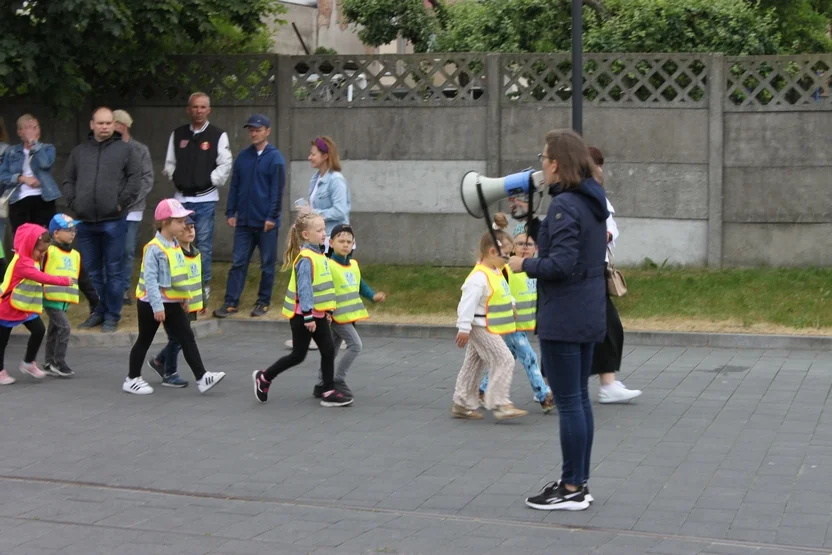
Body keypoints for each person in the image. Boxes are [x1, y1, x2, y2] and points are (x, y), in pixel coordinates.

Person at [514, 129, 608, 512]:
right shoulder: (590, 199)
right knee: (578, 401)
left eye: (543, 158)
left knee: (569, 402)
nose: (541, 164)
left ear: (555, 164)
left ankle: (571, 487)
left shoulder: (565, 204)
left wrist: (525, 264)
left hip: (564, 315)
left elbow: (562, 264)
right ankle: (578, 482)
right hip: (586, 311)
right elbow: (573, 246)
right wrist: (536, 226)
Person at [252, 212, 353, 408]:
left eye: (324, 229)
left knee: (328, 350)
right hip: (304, 317)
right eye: (319, 230)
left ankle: (328, 390)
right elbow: (304, 289)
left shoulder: (319, 254)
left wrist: (327, 311)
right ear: (306, 235)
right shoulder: (306, 258)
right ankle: (264, 377)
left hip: (318, 315)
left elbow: (323, 286)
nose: (324, 233)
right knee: (298, 355)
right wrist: (308, 316)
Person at [125, 199, 225, 395]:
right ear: (165, 223)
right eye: (179, 221)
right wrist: (157, 307)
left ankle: (202, 377)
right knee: (144, 339)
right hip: (151, 303)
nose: (183, 224)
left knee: (187, 337)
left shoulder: (174, 245)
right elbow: (151, 281)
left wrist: (184, 298)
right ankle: (132, 378)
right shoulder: (155, 247)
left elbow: (178, 275)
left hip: (171, 301)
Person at [64, 106, 142, 333]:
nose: (105, 127)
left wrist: (120, 203)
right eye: (100, 123)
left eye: (109, 123)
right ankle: (97, 311)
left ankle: (112, 315)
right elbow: (68, 180)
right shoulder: (79, 152)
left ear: (115, 125)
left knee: (114, 270)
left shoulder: (125, 150)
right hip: (85, 221)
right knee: (91, 272)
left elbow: (135, 179)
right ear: (92, 124)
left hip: (114, 220)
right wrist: (74, 203)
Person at [477, 214, 554, 414]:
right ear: (512, 247)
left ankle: (483, 389)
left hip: (524, 323)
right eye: (520, 243)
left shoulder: (538, 268)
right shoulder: (506, 268)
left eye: (529, 244)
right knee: (528, 356)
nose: (524, 248)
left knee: (508, 357)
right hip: (509, 322)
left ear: (536, 247)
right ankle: (543, 394)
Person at [213, 114, 286, 319]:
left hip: (266, 223)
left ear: (267, 131)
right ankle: (230, 302)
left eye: (258, 129)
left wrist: (272, 217)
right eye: (251, 130)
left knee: (267, 264)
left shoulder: (275, 158)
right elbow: (235, 186)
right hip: (244, 222)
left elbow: (277, 192)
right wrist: (230, 211)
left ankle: (263, 302)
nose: (254, 133)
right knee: (238, 262)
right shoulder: (243, 157)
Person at [452, 228, 528, 422]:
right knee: (504, 360)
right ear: (493, 252)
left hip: (488, 325)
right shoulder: (478, 278)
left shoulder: (495, 271)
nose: (509, 258)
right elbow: (466, 304)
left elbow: (501, 290)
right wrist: (464, 328)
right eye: (507, 253)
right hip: (481, 327)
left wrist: (511, 303)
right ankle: (500, 403)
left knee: (474, 363)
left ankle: (461, 403)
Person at [163, 92, 233, 302]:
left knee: (202, 243)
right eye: (195, 107)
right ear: (188, 109)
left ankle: (202, 285)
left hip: (205, 200)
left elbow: (226, 164)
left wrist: (209, 179)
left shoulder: (218, 135)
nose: (199, 111)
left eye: (203, 107)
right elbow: (169, 162)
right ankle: (178, 283)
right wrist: (176, 176)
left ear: (209, 110)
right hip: (181, 200)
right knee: (176, 243)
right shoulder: (178, 134)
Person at [588, 146, 641, 404]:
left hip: (596, 271)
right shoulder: (584, 197)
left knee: (604, 328)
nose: (601, 168)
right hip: (587, 274)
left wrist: (607, 235)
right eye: (597, 163)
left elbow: (612, 229)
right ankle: (605, 385)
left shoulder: (597, 196)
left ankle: (607, 384)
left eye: (601, 163)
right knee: (605, 328)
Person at [312, 224, 386, 400]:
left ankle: (321, 383)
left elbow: (359, 284)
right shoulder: (328, 265)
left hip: (348, 316)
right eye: (341, 241)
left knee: (332, 350)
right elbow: (322, 289)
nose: (345, 244)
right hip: (336, 317)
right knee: (355, 345)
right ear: (331, 243)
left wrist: (372, 296)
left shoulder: (353, 264)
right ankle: (338, 379)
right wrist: (326, 311)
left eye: (349, 241)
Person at [0, 223, 74, 385]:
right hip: (7, 305)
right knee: (2, 340)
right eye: (40, 251)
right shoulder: (22, 263)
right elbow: (42, 278)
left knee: (39, 330)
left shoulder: (32, 259)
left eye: (45, 251)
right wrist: (64, 281)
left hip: (23, 306)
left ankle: (28, 362)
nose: (42, 255)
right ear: (29, 246)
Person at [147, 215, 202, 388]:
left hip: (188, 302)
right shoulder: (174, 253)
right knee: (178, 338)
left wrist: (201, 302)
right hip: (174, 302)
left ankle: (159, 361)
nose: (190, 231)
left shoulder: (196, 252)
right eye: (186, 227)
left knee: (180, 338)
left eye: (192, 227)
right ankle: (169, 371)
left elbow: (196, 279)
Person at [41, 214, 95, 378]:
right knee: (64, 327)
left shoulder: (75, 255)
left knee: (54, 330)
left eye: (74, 230)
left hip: (64, 300)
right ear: (56, 233)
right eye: (68, 230)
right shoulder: (48, 251)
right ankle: (59, 362)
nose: (73, 233)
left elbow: (83, 278)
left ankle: (49, 363)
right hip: (50, 297)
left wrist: (94, 299)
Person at [113, 110, 154, 304]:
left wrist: (129, 199)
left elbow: (147, 178)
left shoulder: (140, 149)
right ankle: (110, 289)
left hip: (133, 209)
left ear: (122, 125)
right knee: (112, 249)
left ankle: (123, 289)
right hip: (111, 209)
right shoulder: (108, 149)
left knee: (128, 250)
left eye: (112, 124)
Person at [0, 114, 61, 233]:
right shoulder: (11, 151)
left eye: (36, 127)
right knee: (21, 238)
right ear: (19, 132)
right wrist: (21, 178)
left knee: (42, 237)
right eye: (28, 128)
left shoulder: (48, 148)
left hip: (43, 198)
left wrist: (34, 144)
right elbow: (2, 174)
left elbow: (45, 164)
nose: (33, 131)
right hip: (18, 199)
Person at [299, 136, 350, 248]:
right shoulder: (315, 179)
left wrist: (313, 212)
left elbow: (340, 211)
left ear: (325, 156)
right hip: (319, 239)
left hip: (334, 241)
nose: (309, 157)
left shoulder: (336, 180)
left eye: (313, 154)